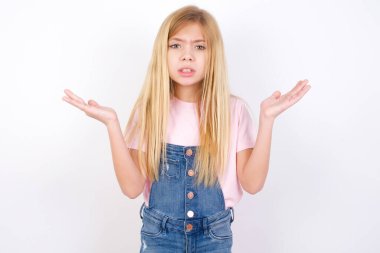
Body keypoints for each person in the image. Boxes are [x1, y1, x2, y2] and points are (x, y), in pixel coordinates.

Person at [62, 5, 311, 253]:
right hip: (159, 236)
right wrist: (112, 124)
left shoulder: (233, 111)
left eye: (199, 47)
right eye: (176, 45)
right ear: (163, 53)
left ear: (213, 55)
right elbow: (132, 188)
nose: (187, 55)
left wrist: (267, 120)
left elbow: (253, 184)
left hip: (214, 238)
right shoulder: (149, 110)